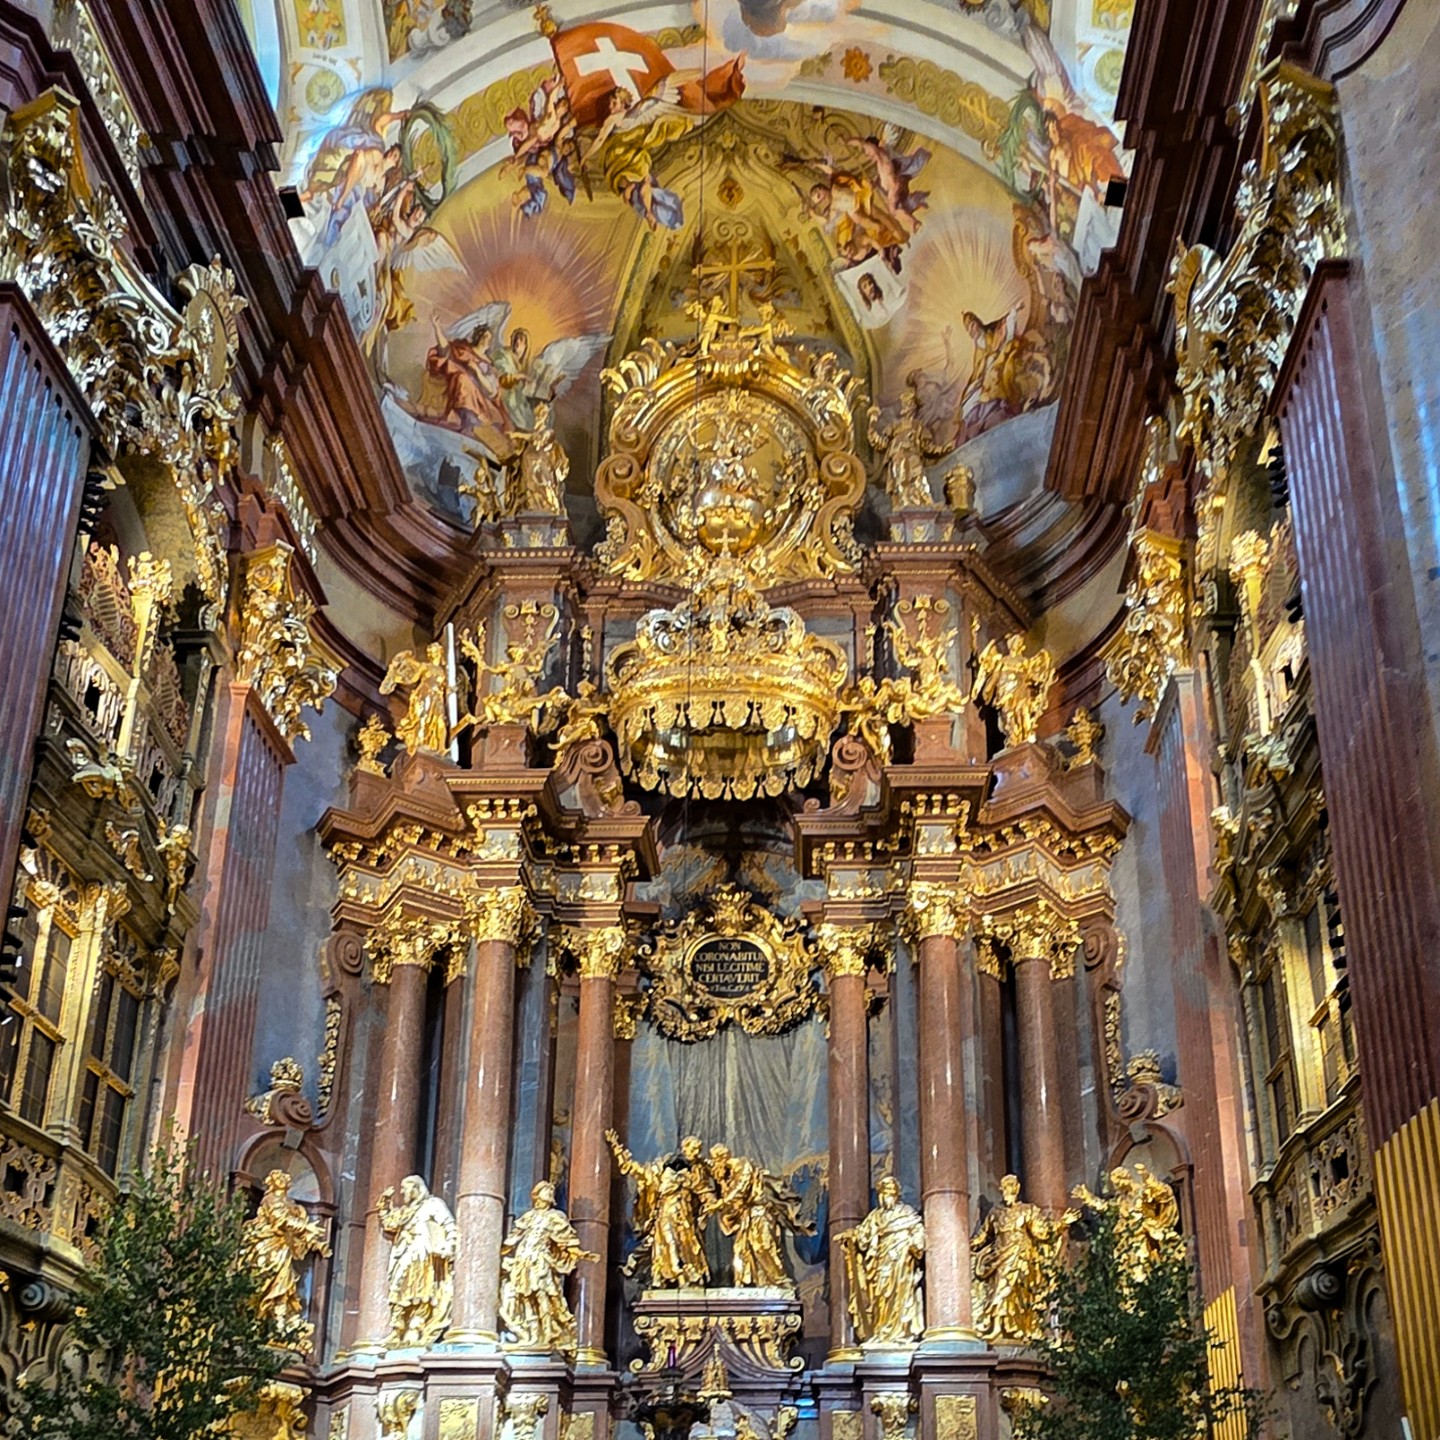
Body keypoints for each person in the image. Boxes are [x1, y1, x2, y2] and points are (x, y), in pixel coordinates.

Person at [499, 1181, 598, 1350]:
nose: (550, 1193)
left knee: (542, 1294)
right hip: (523, 1260)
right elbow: (514, 1237)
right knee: (525, 1296)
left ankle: (547, 1334)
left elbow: (567, 1239)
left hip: (541, 1259)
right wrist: (498, 1253)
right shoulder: (529, 1216)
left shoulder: (555, 1217)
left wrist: (581, 1254)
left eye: (551, 1191)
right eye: (546, 1190)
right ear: (536, 1194)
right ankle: (532, 1335)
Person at [607, 1130, 714, 1287]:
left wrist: (712, 1203)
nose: (696, 1153)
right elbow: (634, 1169)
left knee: (685, 1245)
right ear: (684, 1148)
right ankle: (677, 1272)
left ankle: (673, 1274)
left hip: (685, 1218)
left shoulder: (697, 1172)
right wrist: (616, 1147)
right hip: (666, 1214)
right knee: (670, 1242)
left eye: (698, 1150)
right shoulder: (660, 1170)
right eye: (693, 1149)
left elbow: (704, 1191)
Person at [970, 1174, 1063, 1344]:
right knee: (999, 1289)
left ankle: (1019, 1328)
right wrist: (965, 1245)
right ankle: (997, 1327)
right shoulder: (995, 1213)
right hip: (1000, 1257)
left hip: (1022, 1257)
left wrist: (1061, 1223)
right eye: (1004, 1187)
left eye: (1010, 1186)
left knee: (1017, 1294)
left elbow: (1041, 1232)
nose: (1007, 1191)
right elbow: (983, 1236)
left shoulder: (1027, 1210)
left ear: (1017, 1188)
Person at [242, 1170, 329, 1349]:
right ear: (272, 1182)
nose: (282, 1180)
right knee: (263, 1284)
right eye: (277, 1178)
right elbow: (280, 1220)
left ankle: (280, 1325)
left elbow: (299, 1233)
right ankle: (257, 1321)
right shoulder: (270, 1199)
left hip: (283, 1250)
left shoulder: (292, 1206)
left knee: (284, 1285)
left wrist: (316, 1243)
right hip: (267, 1248)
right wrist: (306, 1228)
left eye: (284, 1178)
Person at [841, 1176, 925, 1344]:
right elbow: (863, 1235)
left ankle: (900, 1333)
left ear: (897, 1194)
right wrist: (852, 1237)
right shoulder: (875, 1216)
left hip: (902, 1259)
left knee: (900, 1293)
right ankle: (882, 1332)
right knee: (881, 1295)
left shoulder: (907, 1212)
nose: (887, 1196)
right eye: (884, 1192)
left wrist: (916, 1243)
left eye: (891, 1192)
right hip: (881, 1259)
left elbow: (917, 1229)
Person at [377, 1175, 457, 1347]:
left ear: (415, 1188)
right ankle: (398, 1329)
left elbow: (449, 1225)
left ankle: (416, 1325)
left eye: (405, 1188)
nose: (402, 1192)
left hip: (423, 1254)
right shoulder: (405, 1211)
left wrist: (449, 1246)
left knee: (421, 1289)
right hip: (403, 1254)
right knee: (398, 1287)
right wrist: (384, 1204)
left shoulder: (433, 1204)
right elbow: (389, 1224)